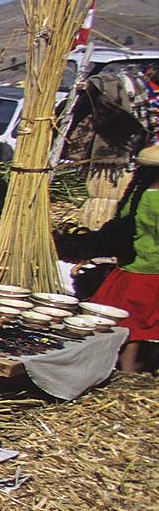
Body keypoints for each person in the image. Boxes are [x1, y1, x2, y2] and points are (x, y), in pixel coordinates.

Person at [89, 143, 159, 373]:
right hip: (150, 272)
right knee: (137, 325)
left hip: (129, 268)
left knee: (128, 323)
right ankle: (128, 370)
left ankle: (125, 365)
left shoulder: (136, 196)